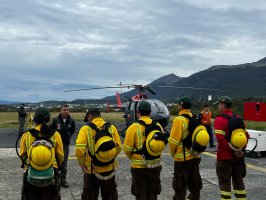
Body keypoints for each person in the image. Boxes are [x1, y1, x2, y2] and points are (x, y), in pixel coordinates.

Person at [75, 108, 122, 200]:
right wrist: (109, 157)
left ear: (90, 116)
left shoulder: (85, 129)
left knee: (90, 196)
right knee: (110, 196)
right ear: (100, 115)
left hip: (92, 170)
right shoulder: (111, 127)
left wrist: (82, 163)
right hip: (109, 169)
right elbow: (119, 147)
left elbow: (79, 150)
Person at [123, 101, 166, 200]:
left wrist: (134, 157)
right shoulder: (158, 126)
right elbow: (161, 144)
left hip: (139, 167)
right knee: (153, 194)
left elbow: (127, 149)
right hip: (155, 165)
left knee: (140, 194)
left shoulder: (133, 127)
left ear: (138, 112)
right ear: (150, 112)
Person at [19, 107, 64, 200]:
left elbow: (22, 155)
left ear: (35, 119)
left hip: (31, 174)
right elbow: (60, 155)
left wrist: (26, 165)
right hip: (51, 174)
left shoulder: (26, 135)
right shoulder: (56, 135)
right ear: (48, 119)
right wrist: (56, 166)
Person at [213, 96, 249, 200]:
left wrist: (232, 151)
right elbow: (246, 137)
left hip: (224, 158)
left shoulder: (219, 119)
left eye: (218, 104)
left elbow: (221, 140)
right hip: (239, 158)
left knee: (225, 184)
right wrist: (239, 151)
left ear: (223, 105)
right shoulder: (239, 118)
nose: (218, 106)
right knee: (239, 182)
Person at [168, 96, 203, 200]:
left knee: (180, 187)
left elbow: (173, 141)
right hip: (195, 157)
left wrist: (172, 153)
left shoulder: (179, 120)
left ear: (180, 105)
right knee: (195, 185)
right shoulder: (195, 118)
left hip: (182, 160)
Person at [52, 104, 76, 188]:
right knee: (54, 162)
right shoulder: (55, 120)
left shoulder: (71, 121)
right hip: (56, 145)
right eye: (64, 110)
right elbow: (52, 130)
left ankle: (63, 181)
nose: (66, 111)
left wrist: (68, 137)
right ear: (61, 110)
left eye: (67, 110)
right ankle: (55, 180)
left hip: (65, 145)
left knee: (64, 163)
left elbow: (72, 130)